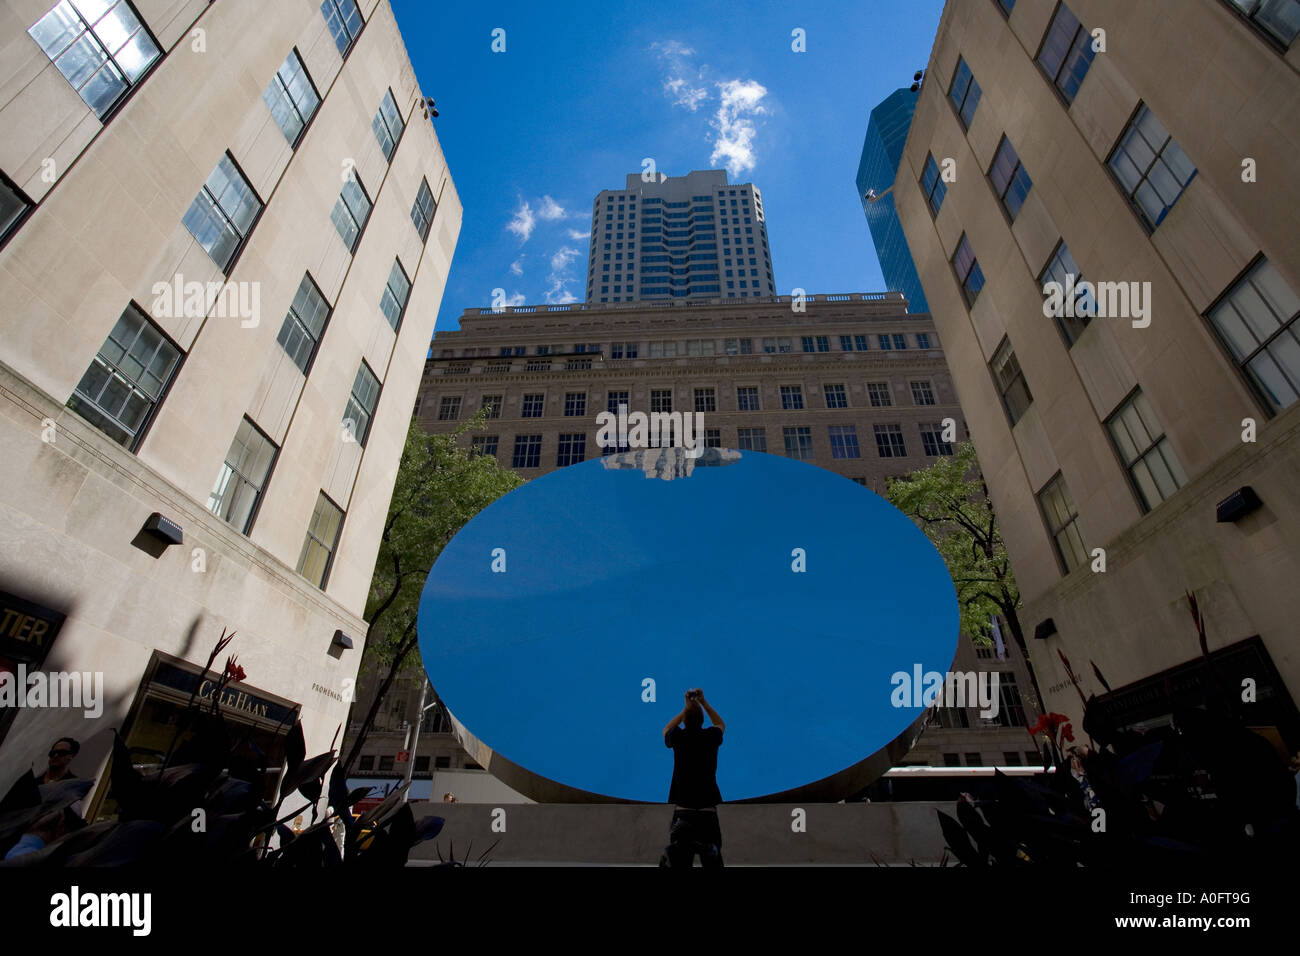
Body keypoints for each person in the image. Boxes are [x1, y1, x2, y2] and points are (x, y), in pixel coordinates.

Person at [659, 688, 725, 867]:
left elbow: (667, 729)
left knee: (678, 863)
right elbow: (720, 725)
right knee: (713, 862)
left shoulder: (678, 737)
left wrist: (686, 708)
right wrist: (703, 703)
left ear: (685, 721)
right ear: (702, 721)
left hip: (683, 812)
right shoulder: (711, 736)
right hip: (707, 813)